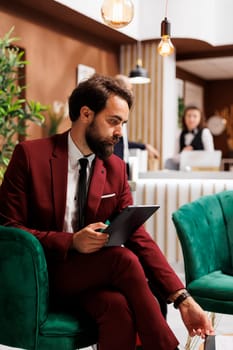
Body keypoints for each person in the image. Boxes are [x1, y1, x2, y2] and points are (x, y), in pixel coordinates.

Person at [0, 74, 214, 350]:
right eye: (113, 121)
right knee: (122, 259)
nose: (120, 132)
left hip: (89, 276)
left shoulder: (115, 167)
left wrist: (183, 297)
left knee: (118, 308)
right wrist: (71, 241)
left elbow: (138, 237)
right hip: (40, 274)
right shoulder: (30, 155)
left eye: (123, 123)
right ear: (86, 114)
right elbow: (8, 228)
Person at [114, 74, 160, 161]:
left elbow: (122, 143)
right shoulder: (114, 113)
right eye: (130, 89)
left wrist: (144, 146)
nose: (131, 94)